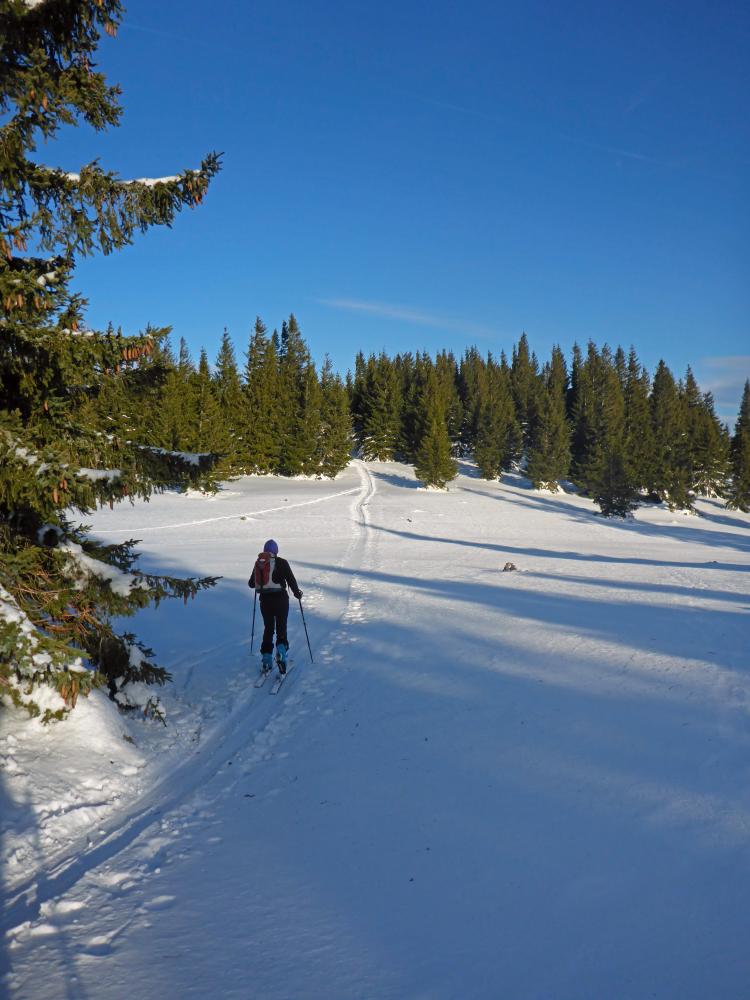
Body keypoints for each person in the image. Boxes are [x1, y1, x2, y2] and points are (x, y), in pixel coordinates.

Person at [248, 539, 302, 675]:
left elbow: (251, 584)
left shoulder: (259, 563)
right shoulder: (282, 562)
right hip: (281, 600)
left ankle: (266, 658)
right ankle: (281, 655)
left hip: (265, 602)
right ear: (276, 551)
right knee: (281, 627)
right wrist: (297, 593)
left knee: (268, 628)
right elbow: (291, 579)